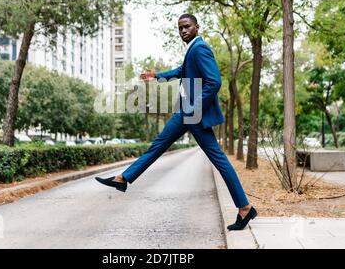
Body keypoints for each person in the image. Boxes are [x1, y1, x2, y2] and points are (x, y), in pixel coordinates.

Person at [96, 14, 257, 231]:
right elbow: (183, 71)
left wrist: (193, 109)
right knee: (159, 145)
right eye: (180, 28)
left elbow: (214, 81)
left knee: (218, 159)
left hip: (192, 113)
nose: (183, 31)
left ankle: (245, 208)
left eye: (187, 27)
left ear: (197, 27)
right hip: (187, 112)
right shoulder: (192, 48)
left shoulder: (200, 48)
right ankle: (123, 178)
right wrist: (158, 76)